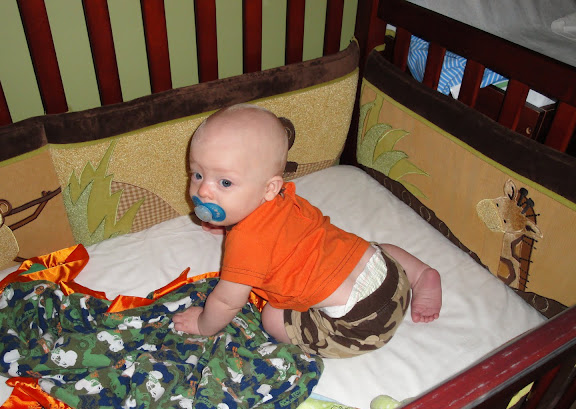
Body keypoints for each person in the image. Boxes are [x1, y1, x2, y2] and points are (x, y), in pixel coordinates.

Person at [173, 104, 442, 358]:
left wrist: (202, 324)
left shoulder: (245, 244)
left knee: (273, 317)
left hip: (364, 325)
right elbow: (273, 232)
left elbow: (227, 301)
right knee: (374, 248)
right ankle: (419, 274)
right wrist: (227, 223)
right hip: (391, 275)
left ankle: (412, 280)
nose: (204, 191)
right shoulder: (284, 198)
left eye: (224, 182)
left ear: (269, 188)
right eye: (198, 174)